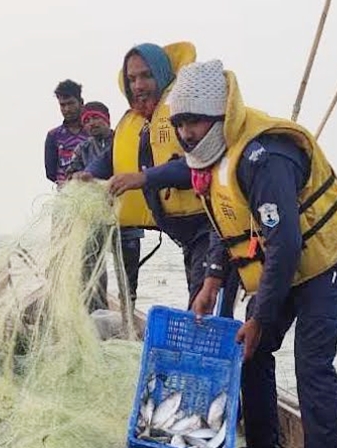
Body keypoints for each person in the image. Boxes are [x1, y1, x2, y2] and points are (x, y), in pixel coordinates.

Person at [168, 59, 337, 448]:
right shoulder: (215, 159)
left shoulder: (266, 157)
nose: (186, 134)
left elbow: (284, 245)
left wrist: (261, 316)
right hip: (286, 263)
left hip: (325, 257)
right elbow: (229, 223)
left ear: (220, 116)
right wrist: (211, 280)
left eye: (195, 122)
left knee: (312, 364)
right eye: (179, 123)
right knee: (251, 349)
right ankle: (263, 447)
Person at [78, 42, 239, 317]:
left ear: (162, 75)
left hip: (213, 229)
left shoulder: (185, 113)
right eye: (131, 79)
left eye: (146, 76)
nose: (138, 85)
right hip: (186, 237)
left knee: (206, 315)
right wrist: (89, 173)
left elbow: (195, 166)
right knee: (199, 310)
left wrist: (143, 178)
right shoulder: (138, 122)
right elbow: (112, 157)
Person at [71, 101, 145, 306]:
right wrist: (78, 178)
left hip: (127, 220)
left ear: (107, 119)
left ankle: (128, 311)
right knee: (92, 269)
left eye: (96, 118)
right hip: (95, 221)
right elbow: (71, 177)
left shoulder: (124, 141)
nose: (91, 123)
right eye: (87, 120)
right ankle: (97, 311)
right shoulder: (82, 150)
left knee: (128, 273)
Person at [44, 79, 89, 187]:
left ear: (81, 102)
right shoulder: (53, 136)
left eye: (71, 103)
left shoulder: (93, 132)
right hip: (66, 197)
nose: (67, 109)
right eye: (63, 105)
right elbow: (51, 173)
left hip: (94, 193)